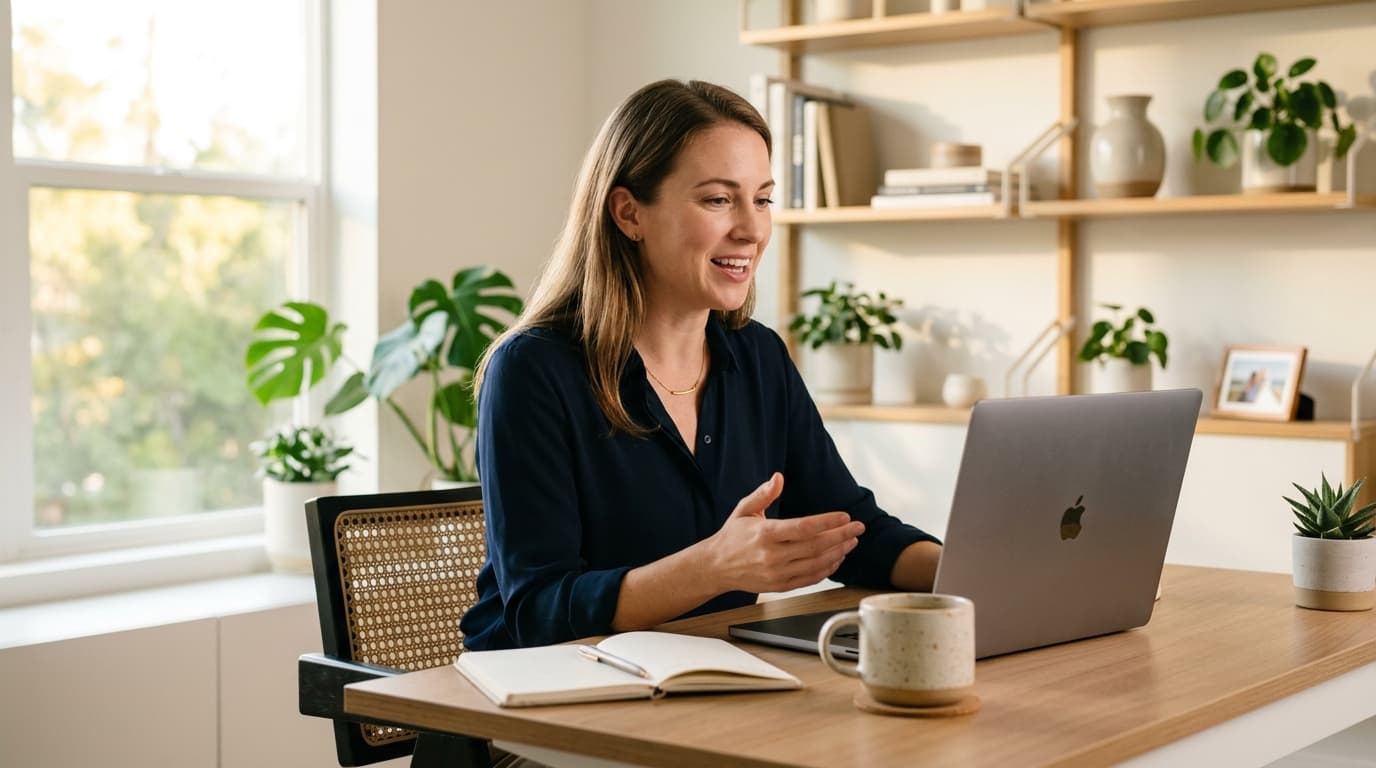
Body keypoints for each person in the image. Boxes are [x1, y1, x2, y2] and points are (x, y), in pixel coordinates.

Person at [460, 79, 943, 652]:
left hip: (707, 677)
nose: (752, 230)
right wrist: (714, 566)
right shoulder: (533, 370)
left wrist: (977, 570)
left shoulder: (759, 357)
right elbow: (538, 611)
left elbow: (855, 533)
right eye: (718, 200)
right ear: (629, 213)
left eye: (762, 200)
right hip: (547, 692)